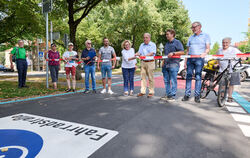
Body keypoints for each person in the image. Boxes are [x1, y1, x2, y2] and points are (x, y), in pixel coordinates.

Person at [182, 22, 211, 103]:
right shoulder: (190, 37)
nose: (193, 29)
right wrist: (185, 61)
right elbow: (187, 51)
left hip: (199, 59)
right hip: (190, 59)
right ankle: (187, 94)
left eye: (195, 27)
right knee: (188, 76)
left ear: (200, 27)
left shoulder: (206, 36)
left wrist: (205, 53)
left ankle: (197, 96)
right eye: (192, 27)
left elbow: (208, 48)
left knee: (198, 77)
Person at [161, 29, 185, 101]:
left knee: (173, 80)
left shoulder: (177, 42)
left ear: (172, 34)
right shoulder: (167, 44)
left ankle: (172, 96)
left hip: (174, 64)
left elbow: (182, 52)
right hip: (166, 64)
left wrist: (173, 53)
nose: (166, 35)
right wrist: (163, 62)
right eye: (166, 34)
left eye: (167, 34)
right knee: (166, 81)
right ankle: (168, 94)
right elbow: (165, 54)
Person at [216, 37, 242, 102]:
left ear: (230, 43)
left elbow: (242, 55)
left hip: (232, 69)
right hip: (222, 70)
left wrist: (243, 58)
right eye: (223, 42)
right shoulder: (219, 50)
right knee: (222, 84)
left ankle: (230, 96)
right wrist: (218, 65)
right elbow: (217, 58)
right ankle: (221, 96)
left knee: (231, 84)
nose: (224, 44)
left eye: (226, 42)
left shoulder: (234, 50)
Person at [136, 33, 156, 98]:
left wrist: (144, 56)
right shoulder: (142, 45)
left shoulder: (153, 44)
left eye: (146, 37)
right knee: (143, 78)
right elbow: (139, 52)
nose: (145, 39)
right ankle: (142, 91)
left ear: (149, 38)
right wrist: (137, 54)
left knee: (150, 78)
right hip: (143, 62)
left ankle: (151, 92)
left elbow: (152, 53)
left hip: (150, 62)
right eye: (144, 37)